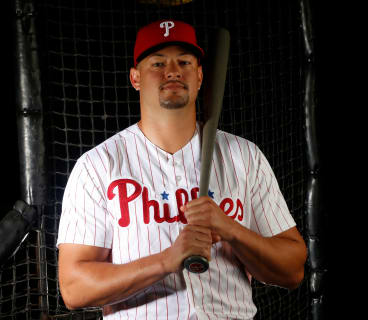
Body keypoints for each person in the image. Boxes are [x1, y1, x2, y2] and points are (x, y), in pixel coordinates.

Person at [56, 19, 307, 320]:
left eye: (184, 61)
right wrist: (166, 261)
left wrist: (232, 230)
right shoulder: (99, 165)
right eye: (158, 62)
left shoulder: (244, 156)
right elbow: (73, 288)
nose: (172, 70)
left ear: (200, 76)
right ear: (135, 78)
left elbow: (293, 269)